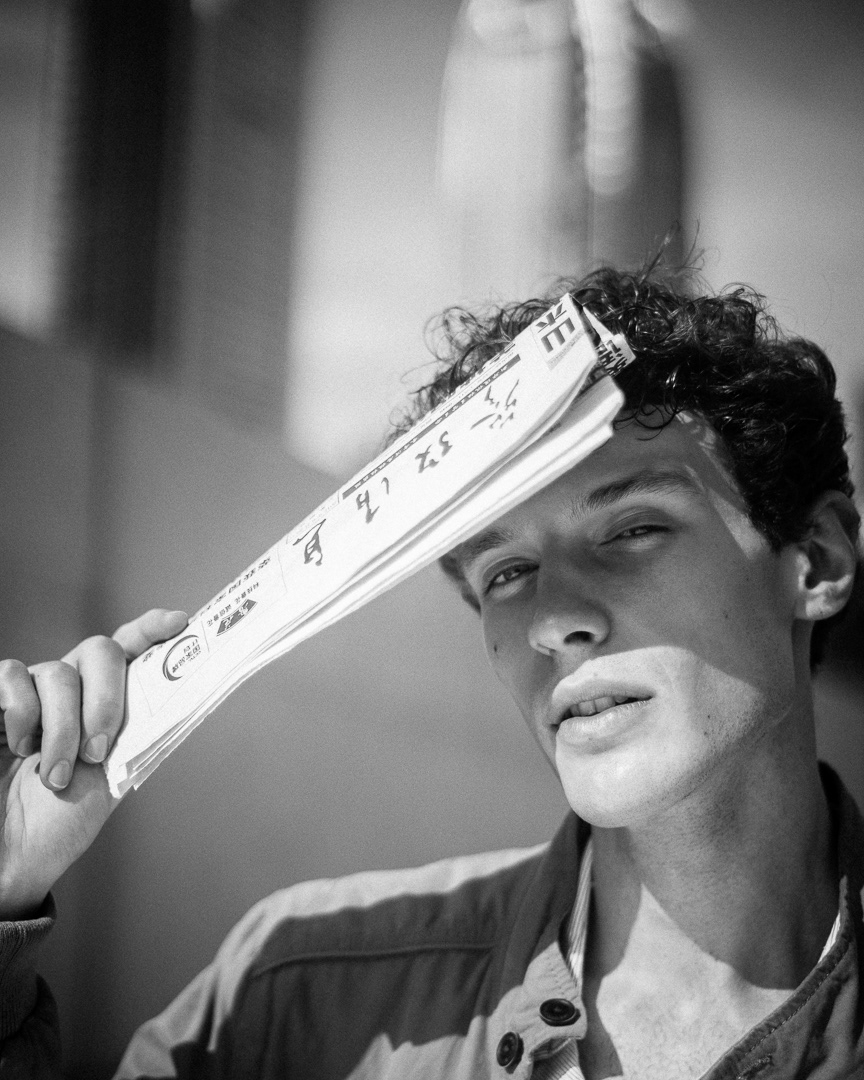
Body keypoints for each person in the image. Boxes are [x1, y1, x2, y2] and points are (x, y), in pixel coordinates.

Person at [0, 264, 862, 1079]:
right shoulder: (293, 998)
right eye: (507, 573)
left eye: (635, 529)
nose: (552, 622)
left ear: (816, 560)